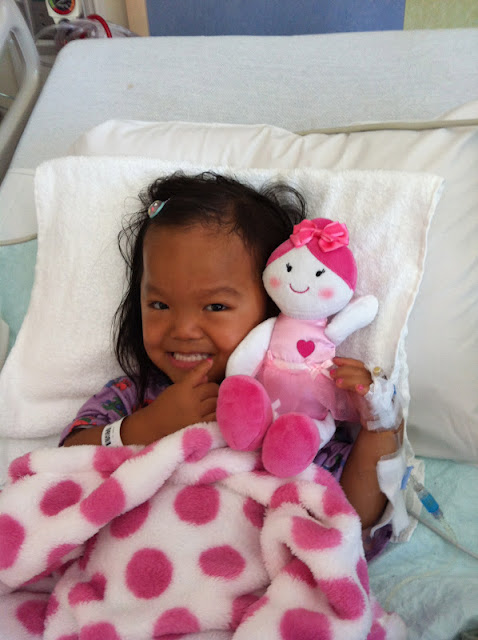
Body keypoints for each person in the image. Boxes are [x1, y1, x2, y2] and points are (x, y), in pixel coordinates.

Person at [61, 171, 401, 545]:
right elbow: (64, 461)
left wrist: (377, 424)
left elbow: (353, 514)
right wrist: (146, 426)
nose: (183, 329)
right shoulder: (134, 394)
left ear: (272, 306)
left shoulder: (293, 412)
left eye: (216, 306)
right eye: (159, 304)